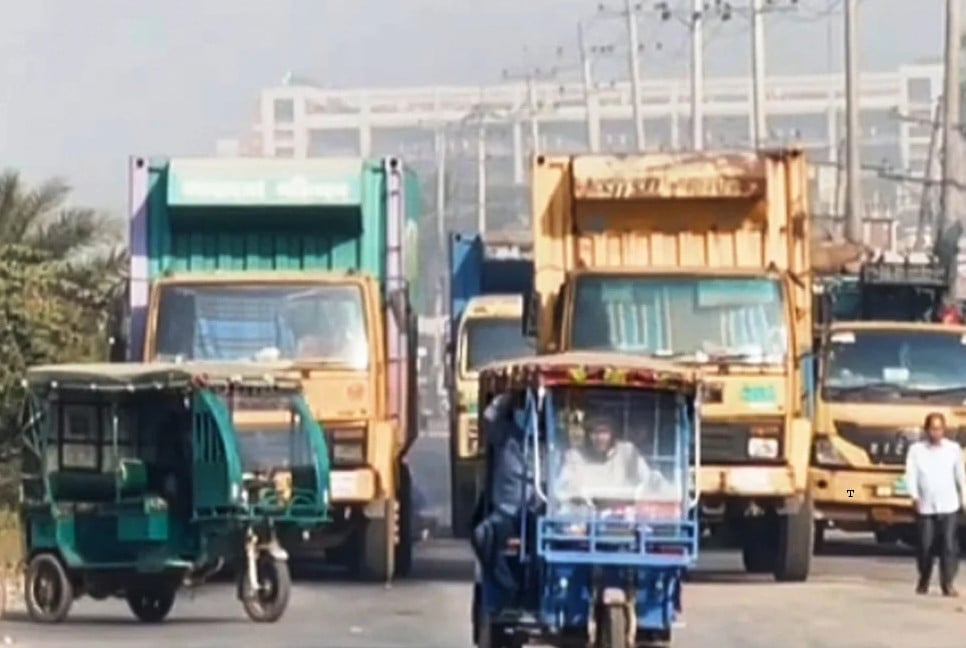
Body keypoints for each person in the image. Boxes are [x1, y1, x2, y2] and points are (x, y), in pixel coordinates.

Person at [904, 411, 966, 596]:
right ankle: (924, 577)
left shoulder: (953, 449)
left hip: (949, 504)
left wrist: (964, 500)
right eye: (932, 429)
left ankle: (947, 583)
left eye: (939, 429)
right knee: (925, 545)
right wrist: (913, 496)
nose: (936, 433)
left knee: (948, 545)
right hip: (926, 505)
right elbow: (910, 475)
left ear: (944, 430)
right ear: (926, 430)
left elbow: (960, 477)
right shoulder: (916, 450)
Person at [555, 411, 671, 503]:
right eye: (594, 432)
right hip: (584, 521)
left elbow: (649, 480)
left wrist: (672, 494)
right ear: (587, 434)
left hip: (624, 521)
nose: (599, 438)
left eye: (604, 432)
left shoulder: (627, 452)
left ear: (613, 432)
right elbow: (561, 490)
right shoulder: (574, 456)